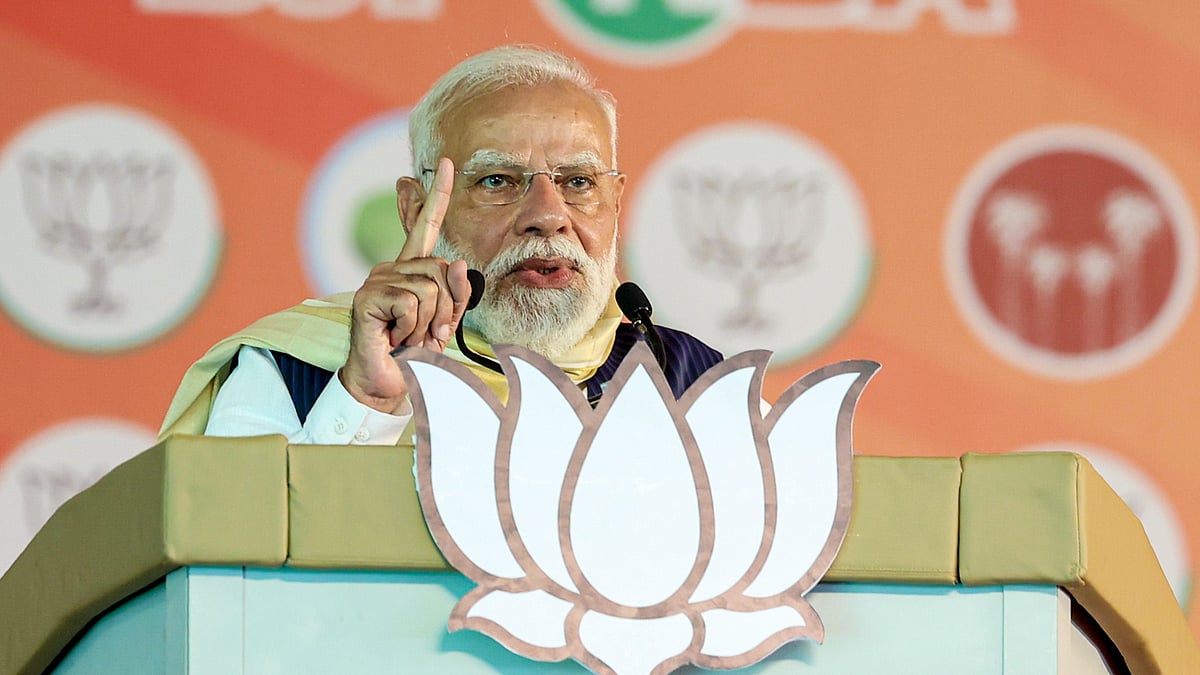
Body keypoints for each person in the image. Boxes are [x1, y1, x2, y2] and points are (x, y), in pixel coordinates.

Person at [159, 45, 722, 445]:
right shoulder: (290, 366)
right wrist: (365, 400)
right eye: (497, 181)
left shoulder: (691, 381)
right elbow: (231, 577)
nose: (548, 217)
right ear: (414, 208)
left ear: (616, 203)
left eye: (579, 182)